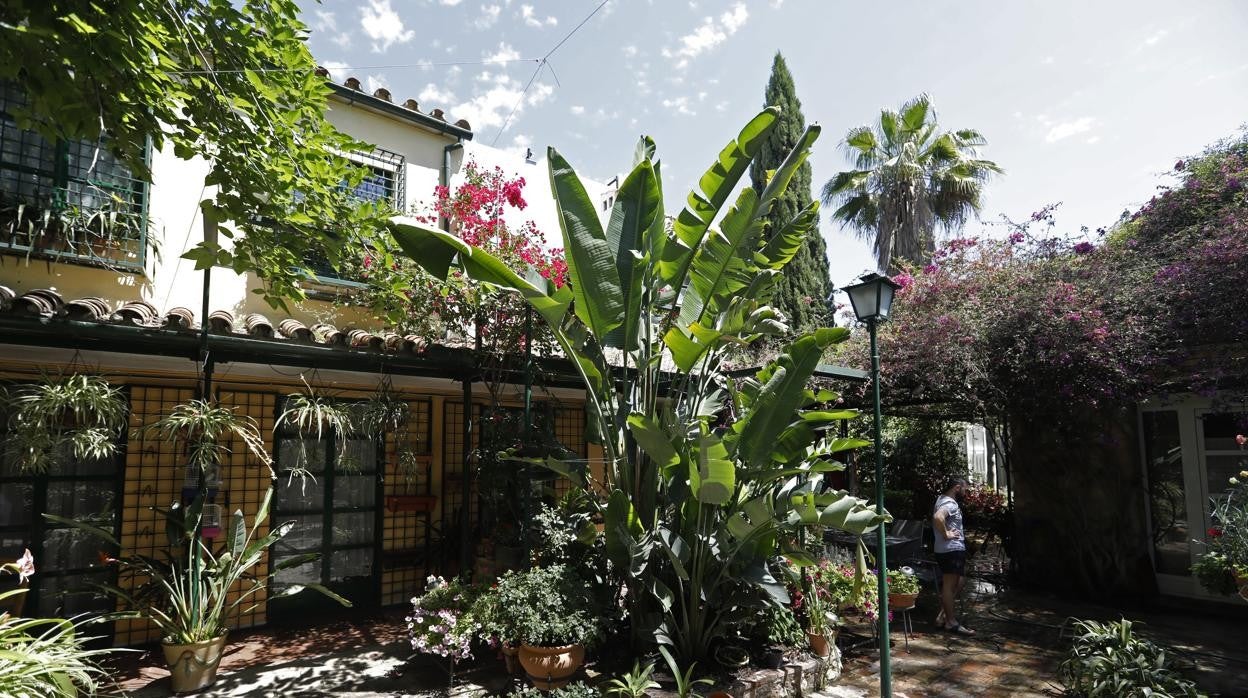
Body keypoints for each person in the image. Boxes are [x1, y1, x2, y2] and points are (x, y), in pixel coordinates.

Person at [932, 477, 975, 636]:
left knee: (959, 581)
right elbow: (938, 517)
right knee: (949, 586)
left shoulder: (941, 499)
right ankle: (951, 622)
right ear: (957, 488)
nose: (966, 492)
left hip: (945, 550)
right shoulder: (950, 503)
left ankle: (943, 615)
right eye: (965, 489)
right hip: (951, 549)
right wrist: (947, 534)